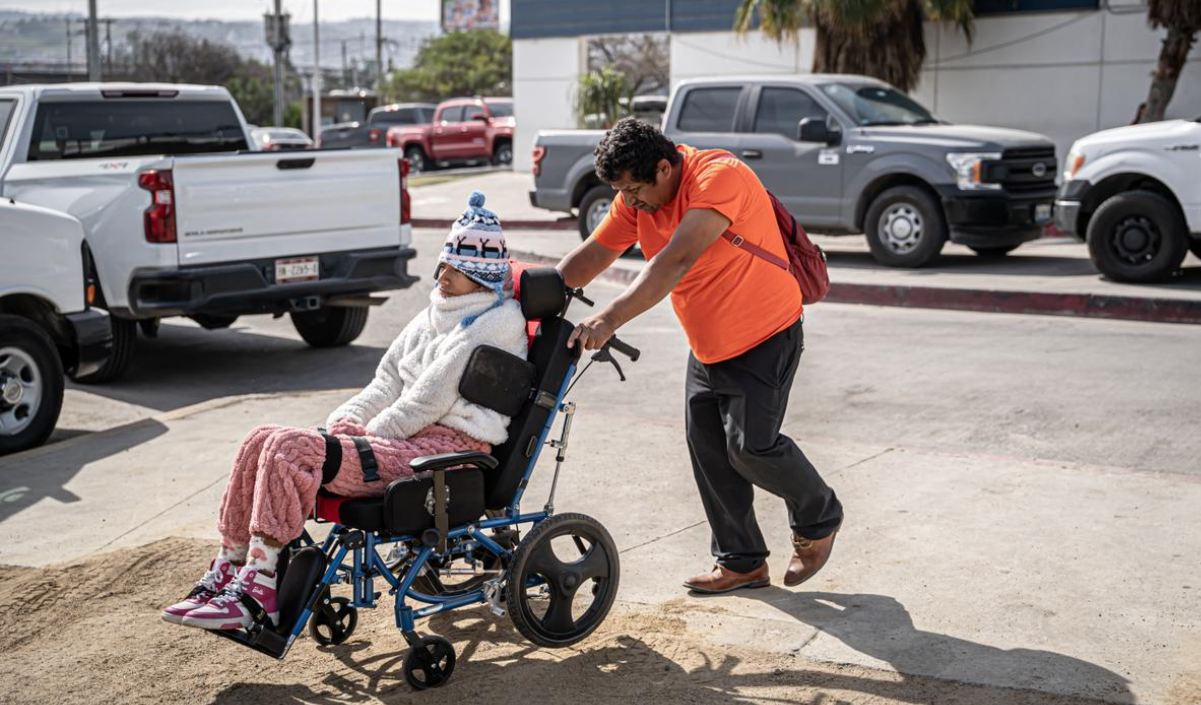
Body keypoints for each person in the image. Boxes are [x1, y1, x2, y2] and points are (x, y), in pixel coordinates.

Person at [162, 192, 527, 631]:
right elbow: (387, 380)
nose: (442, 275)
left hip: (445, 448)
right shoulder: (436, 313)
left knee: (293, 450)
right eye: (443, 265)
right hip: (400, 439)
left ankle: (258, 589)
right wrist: (347, 420)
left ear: (482, 276)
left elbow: (430, 398)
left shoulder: (496, 321)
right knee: (260, 438)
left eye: (455, 269)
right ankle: (230, 565)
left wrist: (364, 438)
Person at [557, 118, 843, 595]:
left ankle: (819, 517)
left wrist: (608, 319)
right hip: (708, 345)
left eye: (633, 190)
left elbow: (675, 259)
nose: (628, 201)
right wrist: (536, 293)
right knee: (709, 452)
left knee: (751, 447)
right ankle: (741, 561)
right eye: (620, 191)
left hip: (765, 335)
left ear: (664, 167)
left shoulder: (718, 176)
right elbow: (594, 253)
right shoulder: (638, 199)